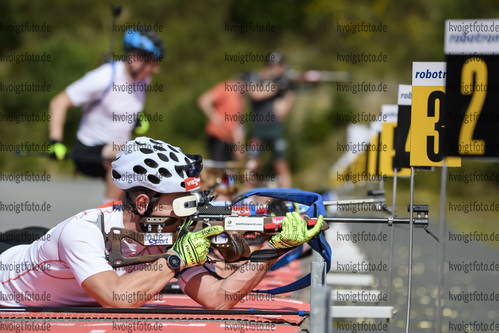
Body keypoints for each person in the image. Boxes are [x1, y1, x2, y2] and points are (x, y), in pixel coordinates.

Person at [0, 136, 323, 308]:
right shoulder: (84, 231)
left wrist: (270, 250)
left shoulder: (169, 233)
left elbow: (217, 298)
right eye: (182, 204)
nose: (189, 213)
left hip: (46, 258)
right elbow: (115, 298)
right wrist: (175, 259)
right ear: (143, 202)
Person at [48, 28, 165, 204]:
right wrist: (55, 142)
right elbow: (58, 103)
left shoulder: (144, 79)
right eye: (151, 63)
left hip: (118, 152)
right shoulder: (104, 77)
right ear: (134, 57)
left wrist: (137, 120)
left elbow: (125, 104)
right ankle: (107, 211)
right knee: (125, 154)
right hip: (89, 151)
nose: (156, 69)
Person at [242, 52, 296, 188]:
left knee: (281, 164)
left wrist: (290, 91)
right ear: (267, 67)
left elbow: (282, 112)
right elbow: (256, 94)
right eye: (274, 66)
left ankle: (288, 198)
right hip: (258, 130)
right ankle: (247, 197)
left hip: (275, 129)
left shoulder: (284, 83)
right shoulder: (255, 78)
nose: (278, 70)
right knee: (252, 164)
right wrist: (277, 85)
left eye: (280, 66)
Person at [198, 79, 246, 162]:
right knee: (217, 168)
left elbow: (237, 126)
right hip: (217, 136)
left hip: (229, 140)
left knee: (228, 170)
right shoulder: (225, 88)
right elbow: (203, 101)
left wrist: (238, 146)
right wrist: (214, 116)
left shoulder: (241, 99)